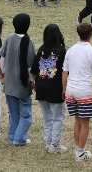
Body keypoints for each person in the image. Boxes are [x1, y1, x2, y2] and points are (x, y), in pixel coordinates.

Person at [62, 23, 92, 162]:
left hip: (70, 90)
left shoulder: (71, 50)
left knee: (77, 121)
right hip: (84, 91)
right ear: (91, 35)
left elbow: (65, 72)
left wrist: (64, 89)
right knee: (85, 123)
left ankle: (78, 148)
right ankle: (80, 152)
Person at [30, 24, 68, 154]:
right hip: (55, 89)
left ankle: (48, 142)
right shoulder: (62, 51)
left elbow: (34, 69)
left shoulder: (42, 49)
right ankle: (55, 145)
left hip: (41, 88)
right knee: (57, 118)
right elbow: (65, 72)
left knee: (47, 118)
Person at [0, 13, 35, 146]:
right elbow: (30, 66)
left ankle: (12, 136)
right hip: (22, 84)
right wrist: (32, 82)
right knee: (26, 115)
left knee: (13, 113)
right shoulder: (29, 42)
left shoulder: (9, 38)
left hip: (9, 83)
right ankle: (19, 139)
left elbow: (2, 57)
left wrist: (3, 74)